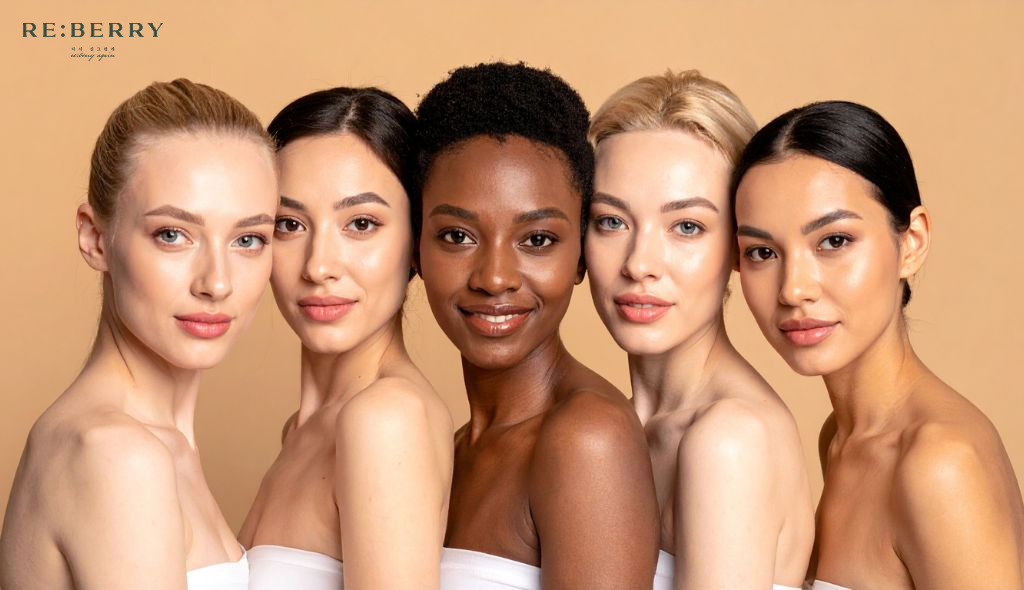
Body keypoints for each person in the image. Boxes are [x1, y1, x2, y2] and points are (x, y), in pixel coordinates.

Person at [733, 100, 1024, 589]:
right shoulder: (842, 437)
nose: (793, 289)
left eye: (834, 241)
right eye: (762, 252)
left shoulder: (938, 464)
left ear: (911, 242)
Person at [0, 79, 278, 590]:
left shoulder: (148, 444)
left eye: (248, 239)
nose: (217, 282)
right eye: (173, 234)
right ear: (95, 238)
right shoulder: (116, 454)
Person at [415, 61, 660, 590]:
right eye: (457, 236)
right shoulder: (446, 449)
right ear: (416, 249)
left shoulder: (587, 439)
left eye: (538, 240)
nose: (494, 278)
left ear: (581, 258)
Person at [585, 69, 814, 590]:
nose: (640, 263)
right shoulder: (616, 426)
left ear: (738, 246)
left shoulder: (730, 440)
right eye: (611, 221)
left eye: (686, 226)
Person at [239, 86, 454, 590]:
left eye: (361, 223)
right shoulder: (302, 429)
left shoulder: (385, 420)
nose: (318, 266)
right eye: (289, 224)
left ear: (416, 242)